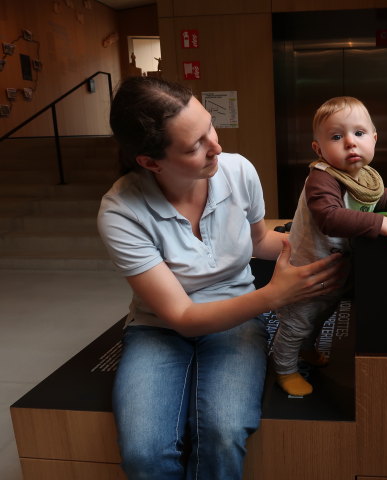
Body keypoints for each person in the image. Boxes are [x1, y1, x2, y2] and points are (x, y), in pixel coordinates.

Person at [97, 76, 344, 479]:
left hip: (237, 317)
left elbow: (259, 240)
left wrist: (317, 249)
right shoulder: (121, 211)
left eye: (209, 126)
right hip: (159, 327)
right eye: (195, 145)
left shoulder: (239, 171)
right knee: (144, 452)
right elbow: (179, 316)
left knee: (224, 432)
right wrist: (274, 295)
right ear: (150, 161)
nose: (216, 145)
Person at [272, 96, 387, 396]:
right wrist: (379, 224)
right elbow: (329, 218)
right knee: (298, 322)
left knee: (321, 316)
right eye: (337, 137)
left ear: (374, 139)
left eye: (359, 133)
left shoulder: (362, 176)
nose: (350, 143)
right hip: (307, 272)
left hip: (335, 268)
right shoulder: (321, 178)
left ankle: (307, 349)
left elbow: (381, 196)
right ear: (319, 149)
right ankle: (284, 367)